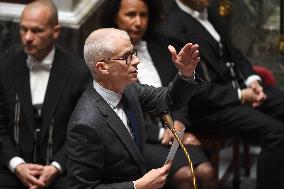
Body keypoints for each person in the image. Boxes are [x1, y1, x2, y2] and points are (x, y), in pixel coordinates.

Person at [160, 0, 284, 189]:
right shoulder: (172, 27)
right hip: (210, 107)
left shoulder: (210, 11)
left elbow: (235, 54)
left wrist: (253, 81)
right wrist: (240, 95)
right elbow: (192, 88)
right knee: (277, 133)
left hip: (242, 89)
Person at [99, 0, 217, 189]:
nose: (138, 22)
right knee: (185, 176)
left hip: (174, 131)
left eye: (143, 15)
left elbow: (178, 92)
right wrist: (164, 133)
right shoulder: (104, 55)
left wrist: (179, 123)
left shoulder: (161, 45)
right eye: (130, 15)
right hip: (136, 140)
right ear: (115, 16)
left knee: (206, 172)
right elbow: (116, 113)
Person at [66, 28, 200, 189]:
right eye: (126, 57)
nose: (136, 61)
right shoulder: (85, 124)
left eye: (133, 53)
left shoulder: (128, 89)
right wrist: (137, 186)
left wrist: (186, 73)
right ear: (102, 67)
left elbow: (169, 99)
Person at [0, 1, 91, 188]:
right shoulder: (5, 68)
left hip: (61, 172)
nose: (27, 37)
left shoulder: (79, 73)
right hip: (12, 171)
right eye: (23, 29)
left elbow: (82, 131)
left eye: (37, 31)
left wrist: (56, 167)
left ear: (56, 31)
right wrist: (17, 165)